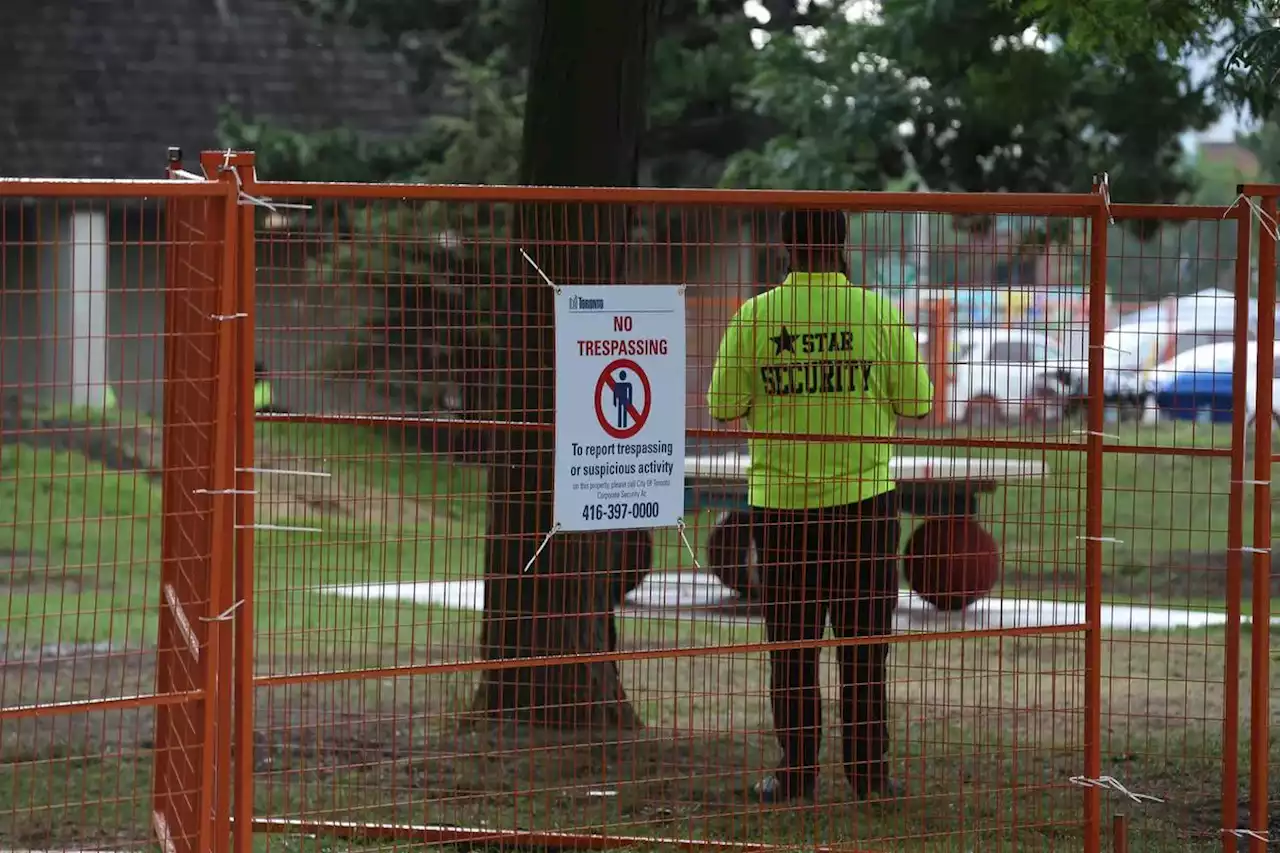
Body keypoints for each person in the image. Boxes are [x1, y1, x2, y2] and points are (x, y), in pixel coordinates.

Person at [706, 208, 934, 804]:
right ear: (841, 242)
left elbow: (722, 404)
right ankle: (869, 774)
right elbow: (917, 402)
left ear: (785, 244)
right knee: (864, 645)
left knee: (792, 646)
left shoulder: (756, 316)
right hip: (864, 508)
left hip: (782, 510)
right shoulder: (877, 314)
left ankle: (796, 772)